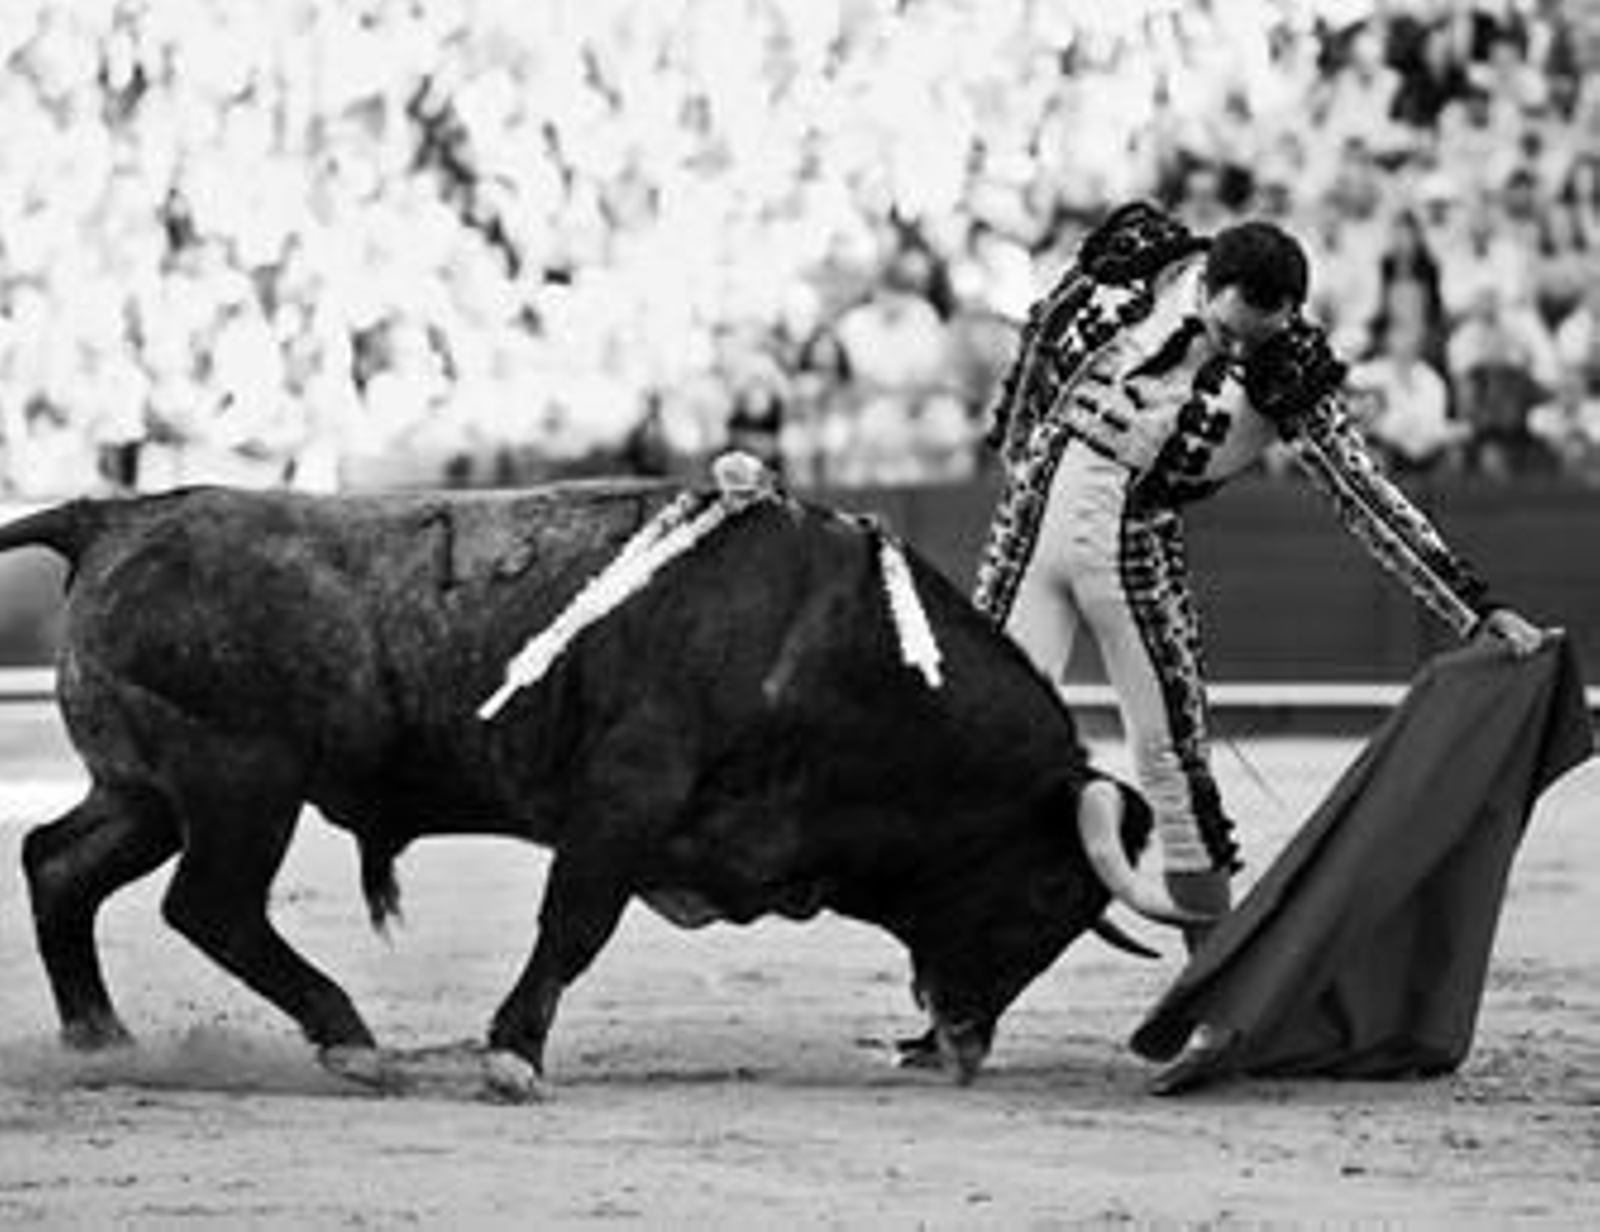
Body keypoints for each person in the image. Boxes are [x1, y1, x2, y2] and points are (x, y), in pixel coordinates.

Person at [974, 201, 1545, 1082]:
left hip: (1134, 551)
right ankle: (959, 997)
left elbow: (1363, 493)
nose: (1240, 352)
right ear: (1204, 285)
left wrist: (1471, 606)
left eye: (1259, 337)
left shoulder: (1289, 372)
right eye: (1229, 330)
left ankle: (1219, 1012)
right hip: (1032, 528)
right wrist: (1013, 458)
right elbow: (1039, 337)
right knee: (971, 753)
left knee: (1176, 774)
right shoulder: (1138, 260)